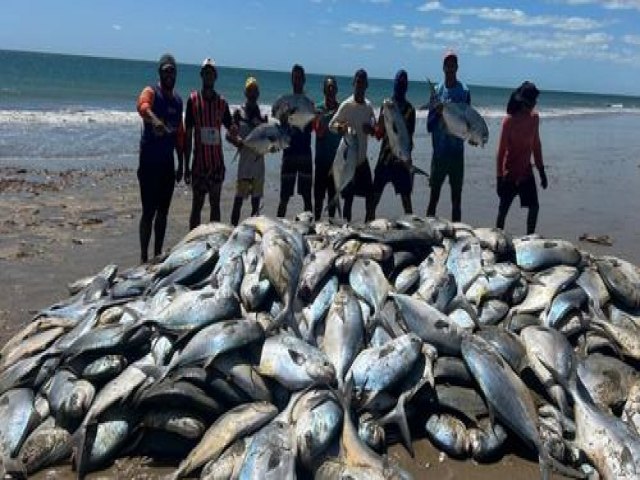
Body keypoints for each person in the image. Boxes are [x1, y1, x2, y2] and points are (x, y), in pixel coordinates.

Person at [135, 53, 185, 264]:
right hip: (148, 164)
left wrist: (182, 163)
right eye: (166, 71)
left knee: (163, 213)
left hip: (167, 165)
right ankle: (143, 257)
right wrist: (154, 119)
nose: (169, 74)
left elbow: (179, 135)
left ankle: (157, 255)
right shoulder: (151, 91)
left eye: (172, 70)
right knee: (148, 212)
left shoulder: (178, 100)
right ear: (160, 73)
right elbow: (141, 105)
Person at [184, 57, 234, 229]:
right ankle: (191, 242)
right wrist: (185, 166)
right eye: (206, 73)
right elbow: (188, 136)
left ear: (216, 76)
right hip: (198, 165)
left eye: (211, 73)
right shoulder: (192, 100)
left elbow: (231, 128)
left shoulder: (222, 103)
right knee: (196, 207)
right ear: (201, 75)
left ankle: (216, 241)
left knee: (215, 205)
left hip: (216, 165)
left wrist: (244, 136)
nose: (208, 76)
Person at [496, 81, 547, 234]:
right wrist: (499, 178)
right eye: (530, 103)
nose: (532, 106)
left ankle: (529, 237)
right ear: (522, 101)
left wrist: (541, 171)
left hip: (526, 172)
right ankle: (497, 238)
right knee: (503, 211)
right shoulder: (509, 121)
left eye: (534, 103)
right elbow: (500, 151)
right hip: (509, 173)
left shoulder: (534, 118)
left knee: (534, 207)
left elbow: (536, 145)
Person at [427, 49, 471, 222]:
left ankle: (458, 237)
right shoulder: (437, 91)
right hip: (439, 154)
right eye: (448, 64)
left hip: (457, 155)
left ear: (457, 67)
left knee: (456, 200)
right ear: (443, 67)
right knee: (433, 197)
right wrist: (438, 113)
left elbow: (469, 122)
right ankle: (427, 232)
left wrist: (472, 137)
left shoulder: (464, 91)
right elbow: (430, 126)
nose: (450, 67)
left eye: (453, 64)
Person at [329, 68, 377, 222]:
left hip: (362, 161)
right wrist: (340, 128)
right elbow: (331, 125)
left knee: (370, 198)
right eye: (357, 82)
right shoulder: (346, 105)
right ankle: (347, 229)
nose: (360, 85)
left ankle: (367, 227)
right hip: (349, 160)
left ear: (367, 85)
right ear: (353, 83)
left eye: (363, 82)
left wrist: (371, 129)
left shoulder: (369, 106)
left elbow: (374, 125)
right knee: (348, 200)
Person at [272, 64, 314, 218]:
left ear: (303, 80)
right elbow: (277, 116)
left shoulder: (309, 103)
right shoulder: (285, 100)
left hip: (305, 153)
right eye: (294, 77)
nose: (297, 80)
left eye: (299, 77)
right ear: (291, 79)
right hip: (289, 152)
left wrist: (311, 118)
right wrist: (283, 118)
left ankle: (309, 228)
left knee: (307, 197)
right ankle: (279, 227)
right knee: (284, 197)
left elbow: (311, 127)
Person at [373, 69, 416, 216]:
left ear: (407, 86)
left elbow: (408, 138)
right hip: (385, 159)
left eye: (403, 83)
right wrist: (375, 127)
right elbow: (379, 134)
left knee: (407, 202)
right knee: (373, 200)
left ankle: (413, 232)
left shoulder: (410, 110)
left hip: (401, 162)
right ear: (394, 84)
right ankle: (366, 227)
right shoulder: (386, 105)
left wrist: (407, 160)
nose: (401, 86)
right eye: (399, 83)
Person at [229, 76, 268, 226]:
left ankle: (253, 231)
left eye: (255, 90)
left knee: (255, 203)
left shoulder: (263, 115)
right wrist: (237, 141)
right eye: (250, 90)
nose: (252, 93)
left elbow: (267, 141)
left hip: (258, 167)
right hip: (244, 166)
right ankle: (232, 229)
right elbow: (228, 135)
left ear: (258, 94)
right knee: (238, 201)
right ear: (245, 93)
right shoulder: (238, 114)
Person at [312, 76, 341, 220]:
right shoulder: (317, 109)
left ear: (336, 90)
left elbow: (345, 130)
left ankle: (330, 224)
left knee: (332, 196)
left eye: (333, 87)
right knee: (318, 196)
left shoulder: (342, 109)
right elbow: (319, 133)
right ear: (324, 90)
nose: (330, 90)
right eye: (328, 87)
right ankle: (317, 222)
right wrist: (321, 119)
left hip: (336, 161)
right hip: (321, 160)